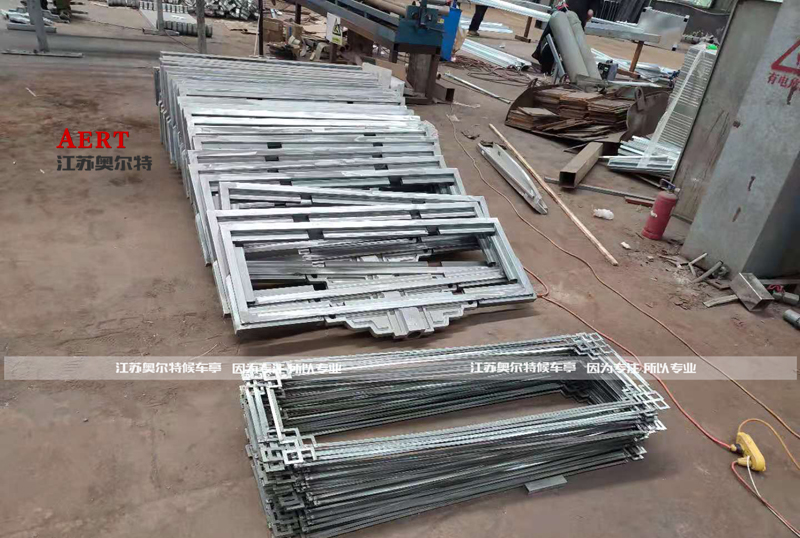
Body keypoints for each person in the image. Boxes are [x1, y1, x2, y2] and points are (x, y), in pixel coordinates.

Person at [532, 0, 601, 74]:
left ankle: (540, 57)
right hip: (576, 20)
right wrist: (584, 21)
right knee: (572, 47)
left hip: (564, 12)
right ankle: (567, 70)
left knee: (551, 39)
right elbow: (590, 13)